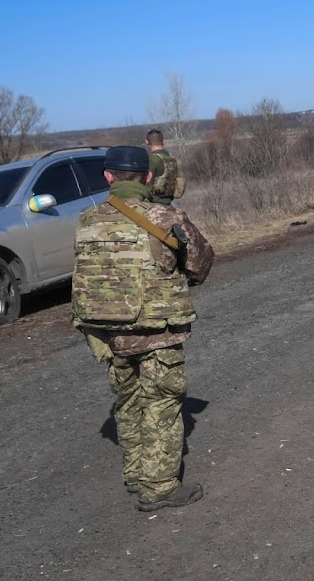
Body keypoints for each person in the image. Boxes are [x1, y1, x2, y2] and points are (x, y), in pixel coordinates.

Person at [72, 145, 215, 511]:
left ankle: (136, 475)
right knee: (162, 403)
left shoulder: (87, 221)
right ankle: (160, 488)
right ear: (149, 177)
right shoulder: (166, 216)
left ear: (107, 177)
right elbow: (200, 262)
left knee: (128, 400)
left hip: (109, 334)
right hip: (157, 330)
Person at [145, 129, 181, 205]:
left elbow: (147, 187)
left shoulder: (152, 160)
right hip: (170, 203)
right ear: (163, 141)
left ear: (147, 142)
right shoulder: (172, 158)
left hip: (155, 204)